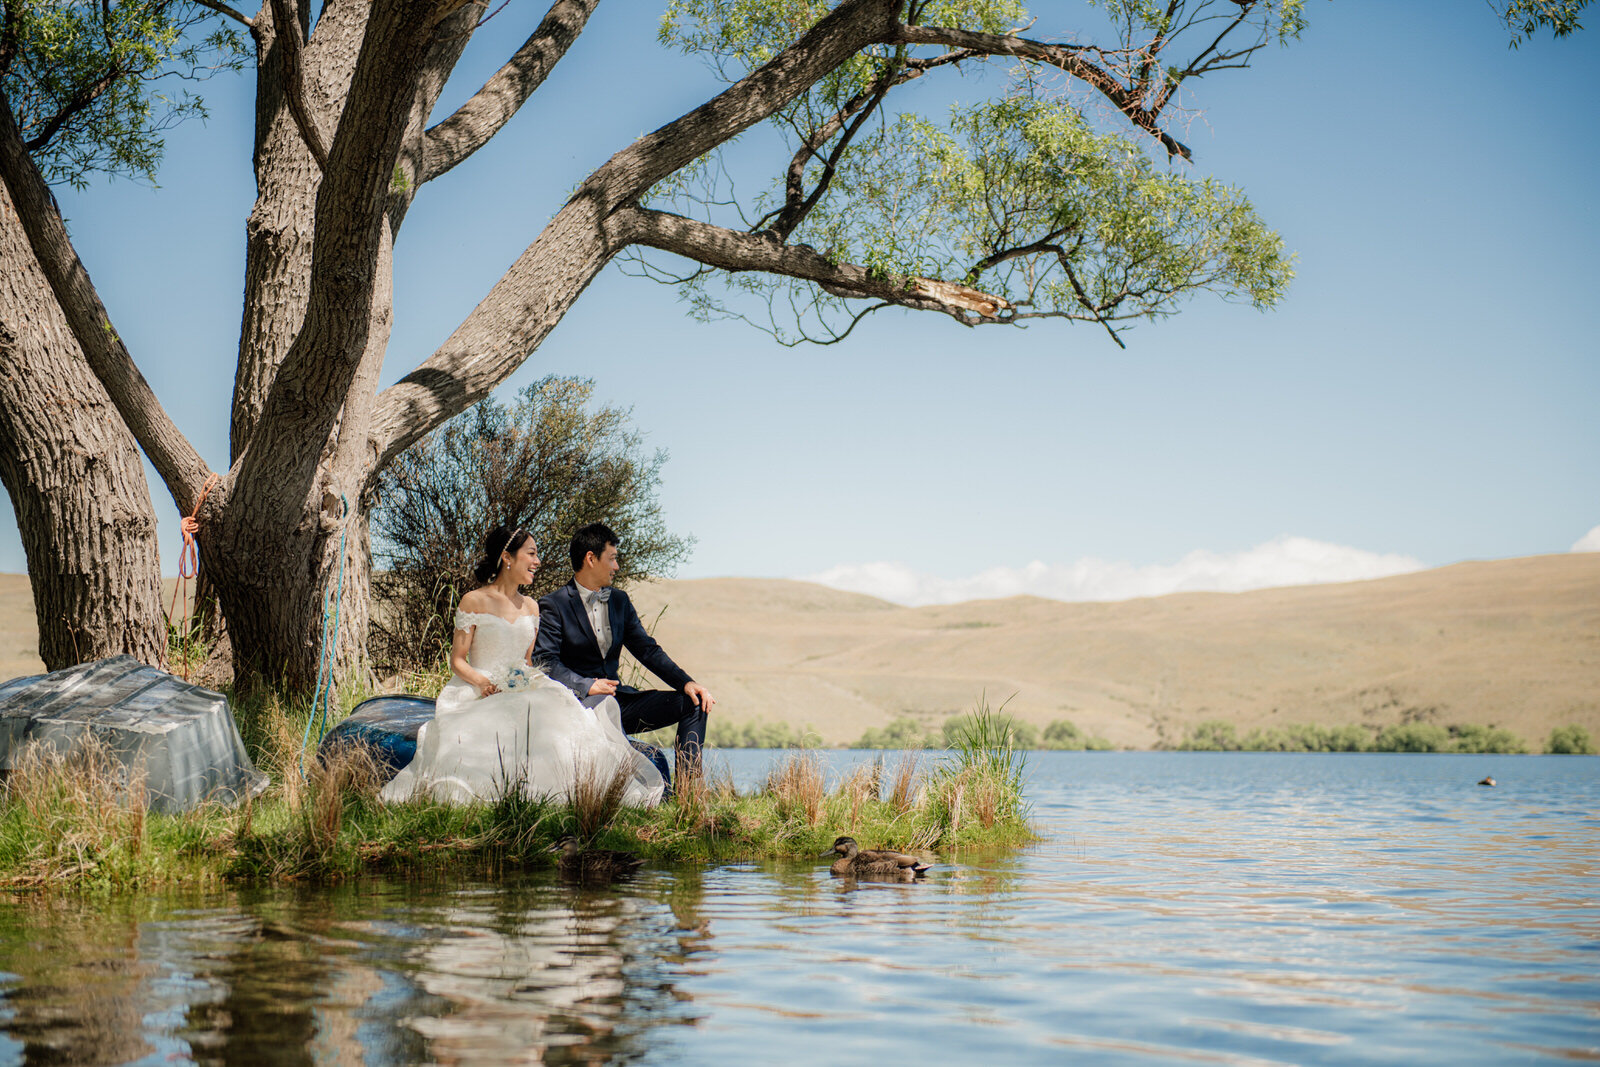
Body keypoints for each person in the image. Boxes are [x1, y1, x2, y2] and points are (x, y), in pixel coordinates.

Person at [379, 524, 663, 806]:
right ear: (507, 557)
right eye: (531, 553)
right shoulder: (474, 600)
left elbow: (527, 662)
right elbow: (457, 660)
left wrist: (530, 682)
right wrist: (484, 683)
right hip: (480, 688)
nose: (537, 561)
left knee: (562, 721)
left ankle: (571, 796)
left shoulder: (531, 606)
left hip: (523, 684)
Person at [534, 522, 715, 790]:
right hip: (580, 708)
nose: (617, 566)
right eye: (613, 558)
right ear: (591, 559)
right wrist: (587, 685)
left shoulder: (620, 601)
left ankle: (690, 795)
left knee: (694, 702)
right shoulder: (553, 604)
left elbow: (646, 649)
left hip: (620, 706)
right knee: (654, 759)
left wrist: (686, 682)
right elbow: (545, 662)